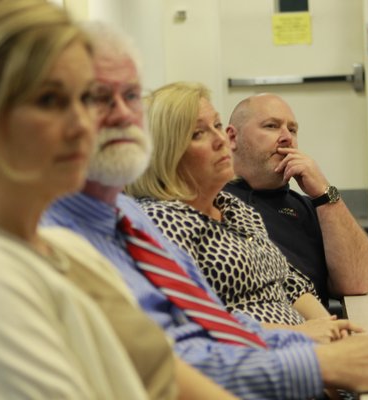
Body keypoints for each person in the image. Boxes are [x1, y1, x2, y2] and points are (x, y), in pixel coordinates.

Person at [0, 2, 237, 399]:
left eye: (86, 98)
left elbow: (169, 377)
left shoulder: (68, 250)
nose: (82, 124)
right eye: (51, 101)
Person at [43, 23, 368, 399]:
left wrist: (331, 342)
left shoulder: (139, 217)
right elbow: (168, 358)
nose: (122, 115)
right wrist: (315, 362)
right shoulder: (152, 221)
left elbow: (212, 331)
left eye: (130, 96)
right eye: (96, 98)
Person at [128, 82, 346, 332]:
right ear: (167, 152)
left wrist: (333, 329)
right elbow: (192, 323)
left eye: (217, 126)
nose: (221, 139)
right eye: (199, 133)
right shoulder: (160, 220)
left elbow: (289, 282)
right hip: (256, 358)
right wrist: (302, 334)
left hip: (305, 347)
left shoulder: (233, 207)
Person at [225, 94, 368, 307]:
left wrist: (325, 193)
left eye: (293, 129)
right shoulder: (215, 203)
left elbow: (358, 282)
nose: (287, 137)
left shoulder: (311, 207)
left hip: (322, 333)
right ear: (232, 138)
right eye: (271, 126)